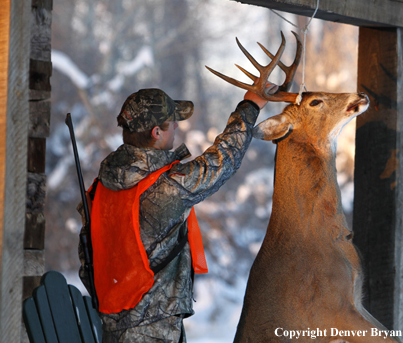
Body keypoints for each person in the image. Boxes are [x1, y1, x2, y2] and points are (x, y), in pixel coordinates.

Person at [77, 87, 268, 343]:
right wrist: (251, 106)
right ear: (156, 133)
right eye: (172, 124)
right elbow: (224, 159)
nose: (177, 128)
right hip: (155, 329)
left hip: (113, 323)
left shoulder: (101, 185)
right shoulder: (168, 186)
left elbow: (86, 254)